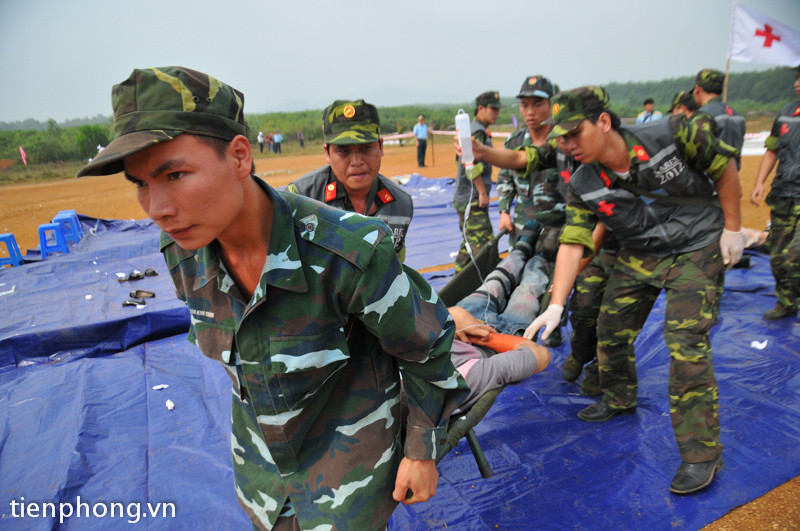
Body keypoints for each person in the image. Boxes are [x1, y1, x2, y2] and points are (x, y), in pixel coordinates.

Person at [76, 66, 467, 530]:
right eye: (139, 183)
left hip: (348, 485)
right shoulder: (183, 254)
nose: (157, 209)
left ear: (239, 156)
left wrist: (421, 451)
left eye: (175, 174)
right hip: (264, 486)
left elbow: (425, 345)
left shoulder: (348, 250)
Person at [519, 86, 743, 495]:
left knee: (684, 342)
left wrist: (732, 227)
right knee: (611, 328)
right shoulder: (583, 182)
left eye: (575, 133)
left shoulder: (673, 134)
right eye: (562, 138)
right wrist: (555, 304)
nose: (568, 145)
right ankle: (619, 397)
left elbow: (723, 169)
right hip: (643, 252)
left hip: (697, 246)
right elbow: (573, 239)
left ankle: (702, 453)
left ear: (604, 122)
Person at [287, 99, 414, 261]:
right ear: (327, 153)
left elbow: (397, 266)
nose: (356, 161)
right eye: (344, 151)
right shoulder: (301, 198)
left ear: (381, 147)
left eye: (366, 148)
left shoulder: (400, 204)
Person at [495, 75, 569, 346]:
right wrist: (504, 210)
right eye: (524, 105)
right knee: (522, 280)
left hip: (558, 230)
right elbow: (505, 180)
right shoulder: (515, 142)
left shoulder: (564, 142)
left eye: (537, 104)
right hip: (523, 228)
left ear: (552, 105)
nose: (530, 111)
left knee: (554, 283)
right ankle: (521, 334)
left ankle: (552, 330)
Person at [749, 65, 800, 320]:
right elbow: (772, 150)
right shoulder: (786, 114)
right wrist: (760, 182)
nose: (797, 83)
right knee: (778, 256)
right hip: (783, 194)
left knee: (795, 255)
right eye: (797, 78)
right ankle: (787, 303)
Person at [447, 305, 550, 414]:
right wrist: (478, 336)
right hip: (499, 340)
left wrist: (447, 316)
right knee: (526, 293)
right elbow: (540, 355)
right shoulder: (462, 378)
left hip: (458, 322)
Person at [453, 91, 500, 273]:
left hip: (465, 196)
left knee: (470, 242)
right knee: (483, 246)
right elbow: (470, 164)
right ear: (481, 109)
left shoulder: (473, 129)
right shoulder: (477, 132)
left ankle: (457, 281)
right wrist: (481, 191)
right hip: (471, 198)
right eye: (492, 109)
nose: (496, 113)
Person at [693, 68, 746, 168]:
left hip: (709, 178)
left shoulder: (702, 116)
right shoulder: (738, 116)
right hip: (732, 177)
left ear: (697, 89)